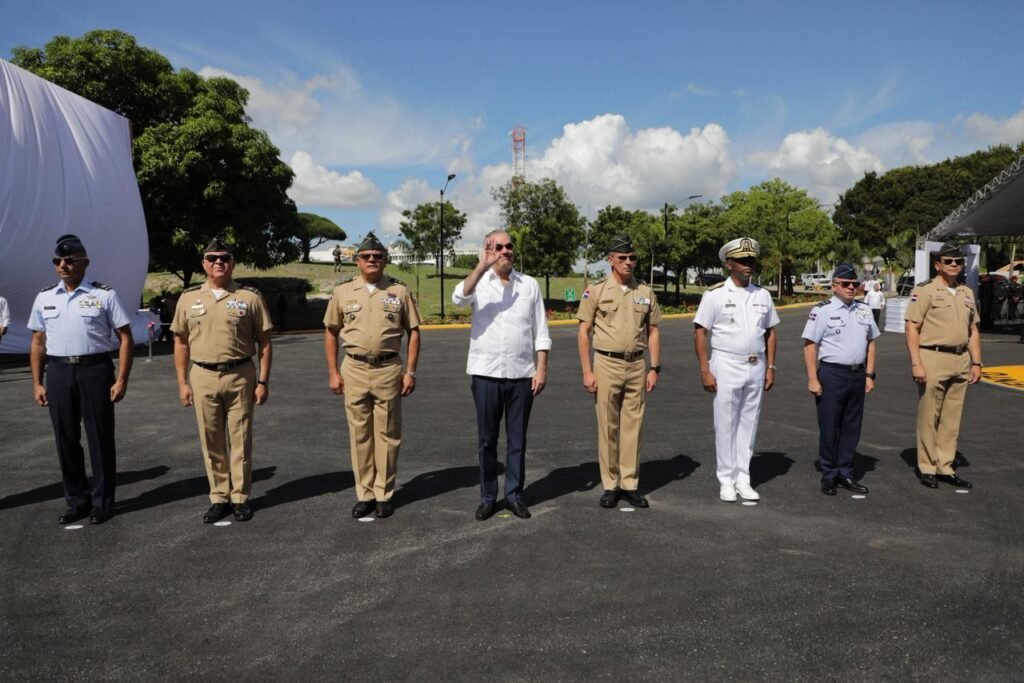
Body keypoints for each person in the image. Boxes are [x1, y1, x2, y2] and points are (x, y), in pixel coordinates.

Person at [27, 234, 134, 525]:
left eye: (69, 260)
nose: (62, 265)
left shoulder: (104, 295)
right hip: (59, 372)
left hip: (95, 370)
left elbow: (125, 337)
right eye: (57, 261)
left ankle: (102, 502)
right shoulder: (45, 297)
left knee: (100, 438)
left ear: (85, 262)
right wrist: (37, 382)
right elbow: (37, 341)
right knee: (65, 439)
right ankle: (77, 501)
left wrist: (121, 379)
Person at [452, 230, 551, 521]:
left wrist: (541, 368)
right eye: (497, 247)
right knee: (487, 440)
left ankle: (514, 495)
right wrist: (482, 265)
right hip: (486, 374)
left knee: (517, 441)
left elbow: (541, 329)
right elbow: (458, 299)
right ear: (487, 249)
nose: (504, 251)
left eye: (508, 246)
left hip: (522, 374)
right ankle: (487, 497)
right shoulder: (479, 283)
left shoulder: (529, 285)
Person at [171, 239, 273, 523]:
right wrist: (182, 382)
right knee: (211, 439)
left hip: (240, 374)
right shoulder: (188, 299)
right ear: (204, 263)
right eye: (212, 258)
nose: (219, 262)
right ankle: (219, 497)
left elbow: (265, 342)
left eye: (224, 258)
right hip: (202, 375)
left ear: (232, 263)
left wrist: (263, 381)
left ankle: (239, 497)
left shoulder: (249, 297)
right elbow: (180, 342)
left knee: (240, 438)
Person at [324, 232, 421, 519]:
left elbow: (414, 332)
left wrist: (410, 371)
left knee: (388, 435)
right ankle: (365, 493)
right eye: (366, 256)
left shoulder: (399, 291)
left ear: (385, 260)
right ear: (357, 261)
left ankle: (384, 494)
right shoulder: (343, 292)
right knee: (360, 435)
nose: (372, 260)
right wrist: (333, 371)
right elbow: (331, 331)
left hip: (388, 370)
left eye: (377, 256)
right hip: (353, 369)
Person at [576, 235, 661, 509]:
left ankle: (629, 484)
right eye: (622, 258)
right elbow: (584, 331)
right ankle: (610, 484)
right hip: (606, 364)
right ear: (610, 259)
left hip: (636, 365)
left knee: (633, 426)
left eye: (632, 258)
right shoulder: (596, 291)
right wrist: (587, 371)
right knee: (608, 426)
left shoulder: (645, 292)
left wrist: (654, 367)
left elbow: (653, 330)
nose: (628, 262)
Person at [693, 237, 779, 503]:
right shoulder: (715, 294)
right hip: (726, 363)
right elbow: (700, 332)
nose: (748, 265)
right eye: (742, 261)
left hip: (756, 364)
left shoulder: (762, 295)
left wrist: (771, 366)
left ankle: (743, 477)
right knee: (726, 423)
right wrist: (705, 370)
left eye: (751, 260)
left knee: (749, 423)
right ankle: (726, 480)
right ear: (729, 264)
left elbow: (770, 333)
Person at [905, 243, 982, 489]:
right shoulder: (925, 290)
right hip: (933, 356)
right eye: (948, 261)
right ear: (938, 265)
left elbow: (973, 330)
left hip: (961, 358)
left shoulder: (966, 292)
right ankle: (927, 467)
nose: (954, 265)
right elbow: (912, 327)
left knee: (951, 417)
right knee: (929, 415)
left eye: (958, 262)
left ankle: (945, 466)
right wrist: (916, 363)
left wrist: (977, 361)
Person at [801, 264, 879, 496]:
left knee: (851, 427)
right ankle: (829, 474)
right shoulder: (822, 310)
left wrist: (869, 374)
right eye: (846, 284)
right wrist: (812, 378)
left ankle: (845, 472)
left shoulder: (863, 310)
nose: (851, 288)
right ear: (834, 286)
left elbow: (871, 343)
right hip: (832, 374)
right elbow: (810, 346)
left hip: (857, 375)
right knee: (829, 426)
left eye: (855, 284)